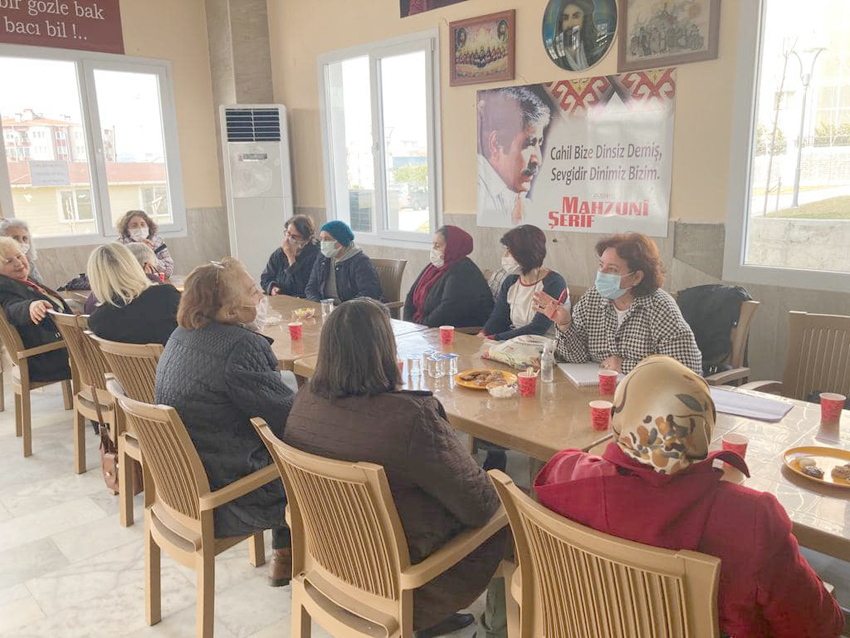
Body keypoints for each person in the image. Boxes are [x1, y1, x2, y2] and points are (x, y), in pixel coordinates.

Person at [534, 356, 844, 638]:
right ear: (705, 427)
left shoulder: (565, 474)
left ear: (619, 419)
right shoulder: (751, 518)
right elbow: (819, 626)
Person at [284, 298, 506, 638]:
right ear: (384, 352)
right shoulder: (409, 418)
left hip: (330, 558)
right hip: (402, 577)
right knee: (512, 515)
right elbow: (480, 507)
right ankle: (501, 628)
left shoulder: (303, 402)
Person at [155, 258, 294, 586]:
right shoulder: (240, 347)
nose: (260, 296)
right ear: (230, 312)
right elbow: (288, 421)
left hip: (185, 485)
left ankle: (285, 554)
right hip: (229, 495)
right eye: (251, 292)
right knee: (315, 454)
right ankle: (317, 562)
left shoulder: (181, 334)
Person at [535, 232, 702, 375]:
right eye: (601, 266)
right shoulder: (593, 297)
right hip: (596, 392)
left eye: (613, 269)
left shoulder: (660, 307)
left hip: (645, 398)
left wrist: (625, 366)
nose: (602, 274)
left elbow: (686, 370)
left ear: (636, 277)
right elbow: (577, 358)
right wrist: (565, 324)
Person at [0, 237, 71, 382]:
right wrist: (30, 306)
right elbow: (13, 308)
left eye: (19, 256)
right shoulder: (6, 288)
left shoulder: (24, 281)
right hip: (46, 359)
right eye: (8, 261)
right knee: (108, 351)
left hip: (55, 350)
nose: (18, 263)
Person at [477, 87, 550, 228]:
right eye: (529, 143)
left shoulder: (516, 196)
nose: (538, 160)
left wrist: (520, 197)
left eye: (539, 144)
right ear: (496, 143)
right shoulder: (480, 190)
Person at [482, 224, 567, 341]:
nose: (505, 256)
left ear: (526, 254)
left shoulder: (554, 283)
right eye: (505, 250)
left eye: (510, 251)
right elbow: (499, 317)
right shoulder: (511, 281)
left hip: (545, 345)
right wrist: (483, 334)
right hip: (513, 342)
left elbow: (537, 328)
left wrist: (495, 338)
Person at [87, 244, 180, 346]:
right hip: (176, 360)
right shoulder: (165, 295)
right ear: (133, 265)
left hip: (128, 362)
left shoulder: (97, 321)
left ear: (95, 278)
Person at [403, 225, 493, 328]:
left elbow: (447, 310)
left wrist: (421, 327)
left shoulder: (463, 271)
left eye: (438, 246)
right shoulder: (433, 267)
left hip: (455, 332)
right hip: (424, 327)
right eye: (433, 245)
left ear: (452, 246)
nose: (433, 250)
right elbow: (411, 295)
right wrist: (408, 323)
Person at [304, 220, 383, 303]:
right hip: (328, 309)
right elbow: (310, 288)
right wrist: (321, 305)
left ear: (341, 242)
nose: (323, 243)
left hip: (354, 311)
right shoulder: (322, 258)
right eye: (322, 239)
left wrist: (342, 309)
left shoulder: (360, 261)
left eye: (327, 239)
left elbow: (368, 294)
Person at [83, 242, 162, 315]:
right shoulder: (159, 294)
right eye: (153, 268)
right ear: (148, 267)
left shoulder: (91, 304)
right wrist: (151, 277)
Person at [260, 214, 320, 297]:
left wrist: (291, 258)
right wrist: (272, 287)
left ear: (307, 239)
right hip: (281, 300)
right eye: (288, 234)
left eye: (295, 237)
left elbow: (303, 289)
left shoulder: (316, 255)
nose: (289, 239)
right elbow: (265, 278)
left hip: (303, 302)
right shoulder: (279, 253)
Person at [116, 210, 174, 279]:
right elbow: (119, 272)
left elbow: (168, 272)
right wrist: (139, 250)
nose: (140, 228)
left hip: (154, 282)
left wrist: (149, 254)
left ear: (148, 226)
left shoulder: (158, 242)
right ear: (127, 229)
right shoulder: (120, 245)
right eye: (134, 225)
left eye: (143, 224)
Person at [551, 0, 604, 72]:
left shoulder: (598, 49)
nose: (570, 24)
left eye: (576, 17)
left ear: (585, 20)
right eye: (565, 18)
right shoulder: (554, 53)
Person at [0, 218, 44, 284]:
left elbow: (40, 286)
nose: (21, 242)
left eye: (24, 238)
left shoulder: (29, 263)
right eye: (15, 238)